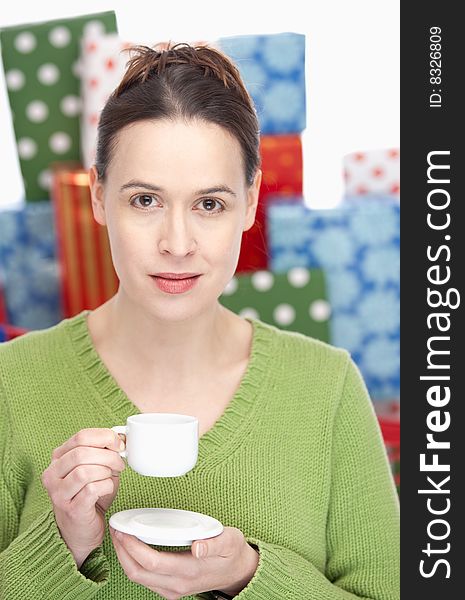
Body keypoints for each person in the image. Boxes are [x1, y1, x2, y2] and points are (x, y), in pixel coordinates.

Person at [0, 42, 400, 599]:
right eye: (145, 201)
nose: (178, 244)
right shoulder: (10, 383)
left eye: (209, 204)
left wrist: (248, 577)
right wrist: (60, 542)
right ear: (97, 196)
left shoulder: (326, 387)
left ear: (251, 201)